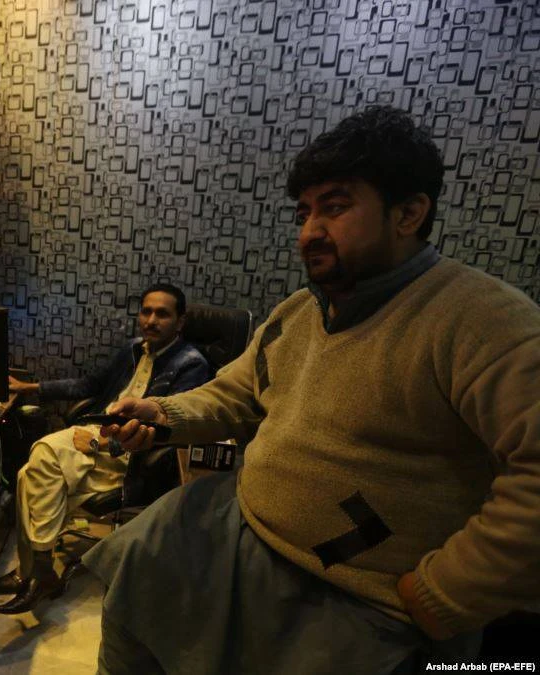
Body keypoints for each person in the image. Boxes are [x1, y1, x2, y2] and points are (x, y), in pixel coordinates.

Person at [93, 106, 540, 673]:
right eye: (304, 212)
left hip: (358, 593)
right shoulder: (298, 311)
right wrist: (162, 412)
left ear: (409, 213)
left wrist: (442, 594)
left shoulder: (482, 320)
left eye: (335, 207)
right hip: (237, 525)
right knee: (130, 594)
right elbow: (237, 393)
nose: (309, 233)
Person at [0, 283, 211, 614]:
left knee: (39, 462)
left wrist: (100, 443)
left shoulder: (191, 365)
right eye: (146, 311)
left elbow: (168, 430)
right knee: (32, 474)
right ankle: (37, 573)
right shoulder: (133, 349)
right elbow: (89, 385)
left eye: (162, 314)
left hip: (128, 453)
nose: (151, 320)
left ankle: (35, 572)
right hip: (96, 433)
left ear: (180, 322)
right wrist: (29, 387)